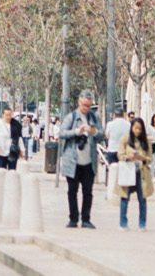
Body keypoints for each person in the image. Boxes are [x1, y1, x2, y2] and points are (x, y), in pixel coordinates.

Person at [61, 92, 102, 228]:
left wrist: (93, 131)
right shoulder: (71, 117)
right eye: (84, 105)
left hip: (88, 161)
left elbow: (102, 134)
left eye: (89, 105)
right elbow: (62, 133)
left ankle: (86, 219)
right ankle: (73, 218)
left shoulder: (94, 117)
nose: (86, 108)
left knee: (88, 192)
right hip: (72, 161)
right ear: (79, 102)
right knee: (72, 191)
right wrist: (76, 132)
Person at [118, 115, 153, 230]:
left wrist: (141, 157)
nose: (137, 131)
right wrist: (129, 157)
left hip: (141, 173)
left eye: (140, 129)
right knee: (124, 198)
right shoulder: (125, 138)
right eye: (135, 128)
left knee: (142, 199)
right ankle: (123, 223)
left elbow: (150, 159)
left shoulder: (146, 141)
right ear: (131, 127)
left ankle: (142, 224)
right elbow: (120, 155)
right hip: (128, 171)